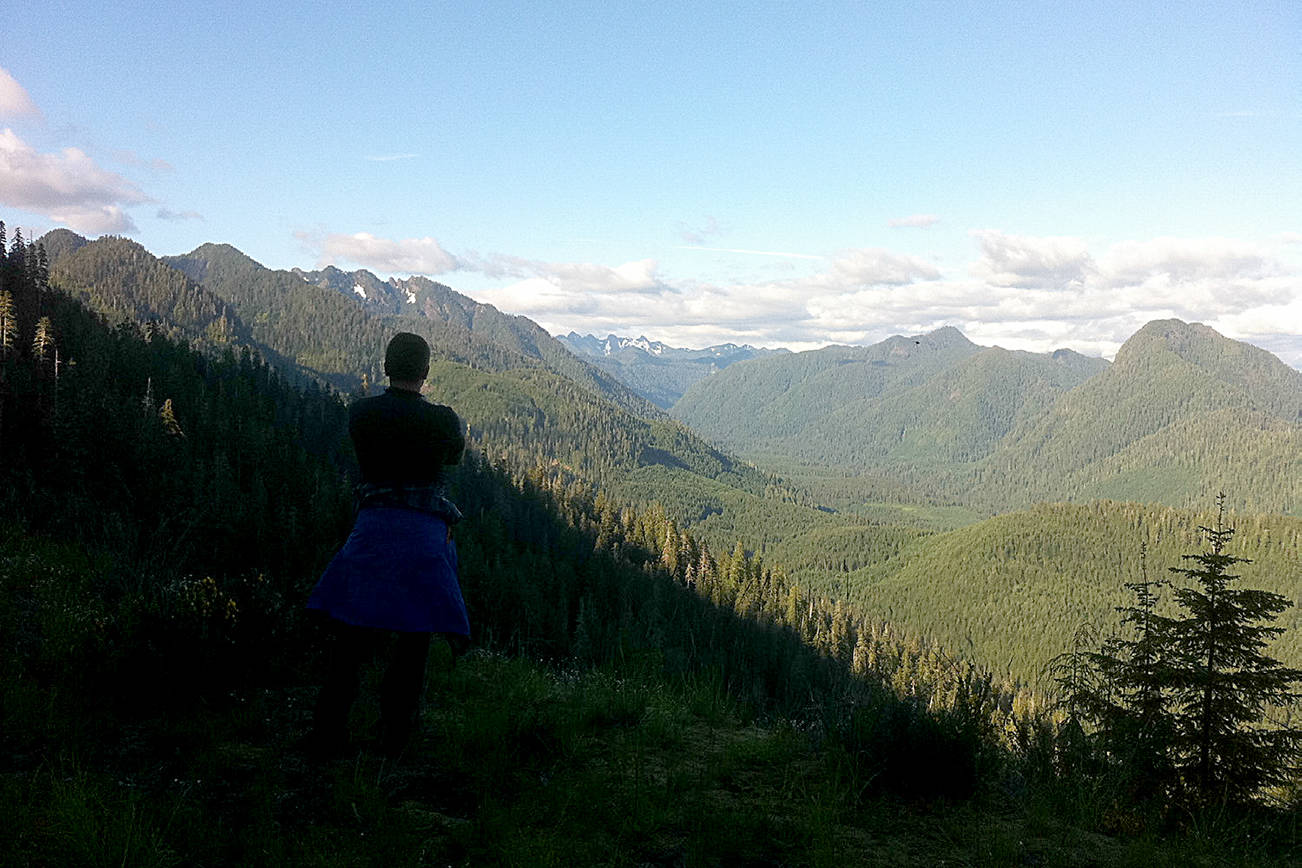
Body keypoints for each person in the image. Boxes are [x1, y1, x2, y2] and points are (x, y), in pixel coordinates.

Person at [305, 332, 469, 758]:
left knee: (351, 633)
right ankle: (395, 737)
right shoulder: (443, 421)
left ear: (386, 367)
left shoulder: (361, 415)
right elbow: (453, 457)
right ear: (426, 372)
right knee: (413, 638)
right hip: (423, 538)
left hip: (373, 530)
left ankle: (327, 734)